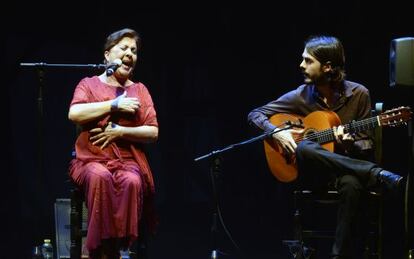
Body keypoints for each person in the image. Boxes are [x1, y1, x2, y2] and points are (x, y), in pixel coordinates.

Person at [247, 35, 404, 259]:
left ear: (328, 67)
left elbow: (367, 143)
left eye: (308, 61)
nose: (301, 65)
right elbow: (255, 114)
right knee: (304, 148)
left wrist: (350, 144)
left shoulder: (359, 94)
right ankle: (376, 174)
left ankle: (338, 255)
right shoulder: (300, 96)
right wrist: (277, 132)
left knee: (351, 184)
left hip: (346, 172)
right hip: (314, 174)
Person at [68, 28, 158, 259]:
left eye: (134, 51)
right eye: (124, 48)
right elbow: (75, 113)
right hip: (92, 160)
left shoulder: (139, 90)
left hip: (127, 163)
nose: (130, 54)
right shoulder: (88, 84)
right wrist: (113, 105)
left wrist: (121, 132)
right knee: (100, 176)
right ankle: (97, 250)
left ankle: (120, 248)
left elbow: (152, 132)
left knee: (131, 181)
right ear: (107, 55)